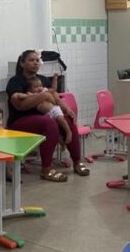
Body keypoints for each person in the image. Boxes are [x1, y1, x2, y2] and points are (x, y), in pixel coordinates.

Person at [6, 50, 89, 182]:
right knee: (49, 123)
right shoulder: (15, 81)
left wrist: (66, 109)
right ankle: (46, 169)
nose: (35, 63)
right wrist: (43, 96)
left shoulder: (43, 79)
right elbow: (20, 106)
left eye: (37, 60)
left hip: (42, 117)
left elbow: (55, 96)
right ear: (22, 63)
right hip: (19, 121)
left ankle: (77, 162)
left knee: (68, 119)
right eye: (31, 60)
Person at [24, 76, 72, 144]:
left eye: (40, 85)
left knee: (61, 120)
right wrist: (17, 95)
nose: (39, 88)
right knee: (54, 128)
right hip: (47, 114)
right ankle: (60, 140)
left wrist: (55, 79)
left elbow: (54, 88)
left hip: (54, 110)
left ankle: (68, 132)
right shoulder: (32, 95)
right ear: (29, 89)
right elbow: (24, 96)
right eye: (35, 87)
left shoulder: (44, 91)